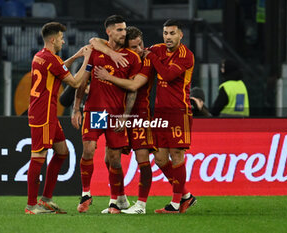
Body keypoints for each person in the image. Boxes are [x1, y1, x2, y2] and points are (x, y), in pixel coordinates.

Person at [71, 15, 142, 214]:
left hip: (117, 114)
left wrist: (126, 115)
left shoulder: (132, 58)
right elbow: (84, 80)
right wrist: (76, 108)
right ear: (109, 32)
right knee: (88, 149)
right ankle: (86, 194)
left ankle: (114, 202)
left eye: (124, 29)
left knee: (114, 159)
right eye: (119, 29)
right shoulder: (96, 52)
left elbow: (132, 90)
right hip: (96, 111)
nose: (123, 33)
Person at [25, 22, 91, 214]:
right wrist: (86, 59)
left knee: (62, 152)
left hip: (48, 113)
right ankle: (31, 205)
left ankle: (46, 199)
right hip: (43, 115)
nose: (63, 41)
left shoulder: (41, 56)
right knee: (38, 156)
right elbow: (76, 81)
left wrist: (76, 56)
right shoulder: (51, 60)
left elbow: (58, 66)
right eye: (61, 38)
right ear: (53, 39)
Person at [91, 26, 154, 214]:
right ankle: (120, 199)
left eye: (140, 45)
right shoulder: (124, 59)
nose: (139, 50)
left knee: (143, 158)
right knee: (110, 159)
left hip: (139, 114)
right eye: (134, 47)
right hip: (116, 112)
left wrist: (108, 77)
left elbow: (134, 86)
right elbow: (94, 41)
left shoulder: (148, 59)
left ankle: (142, 205)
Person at [143, 19, 197, 213]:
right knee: (159, 158)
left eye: (172, 33)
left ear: (181, 35)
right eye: (165, 33)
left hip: (178, 111)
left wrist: (152, 57)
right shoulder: (157, 48)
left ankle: (175, 203)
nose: (168, 37)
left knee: (176, 155)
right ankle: (185, 195)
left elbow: (167, 75)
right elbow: (142, 50)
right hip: (160, 112)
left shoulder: (186, 56)